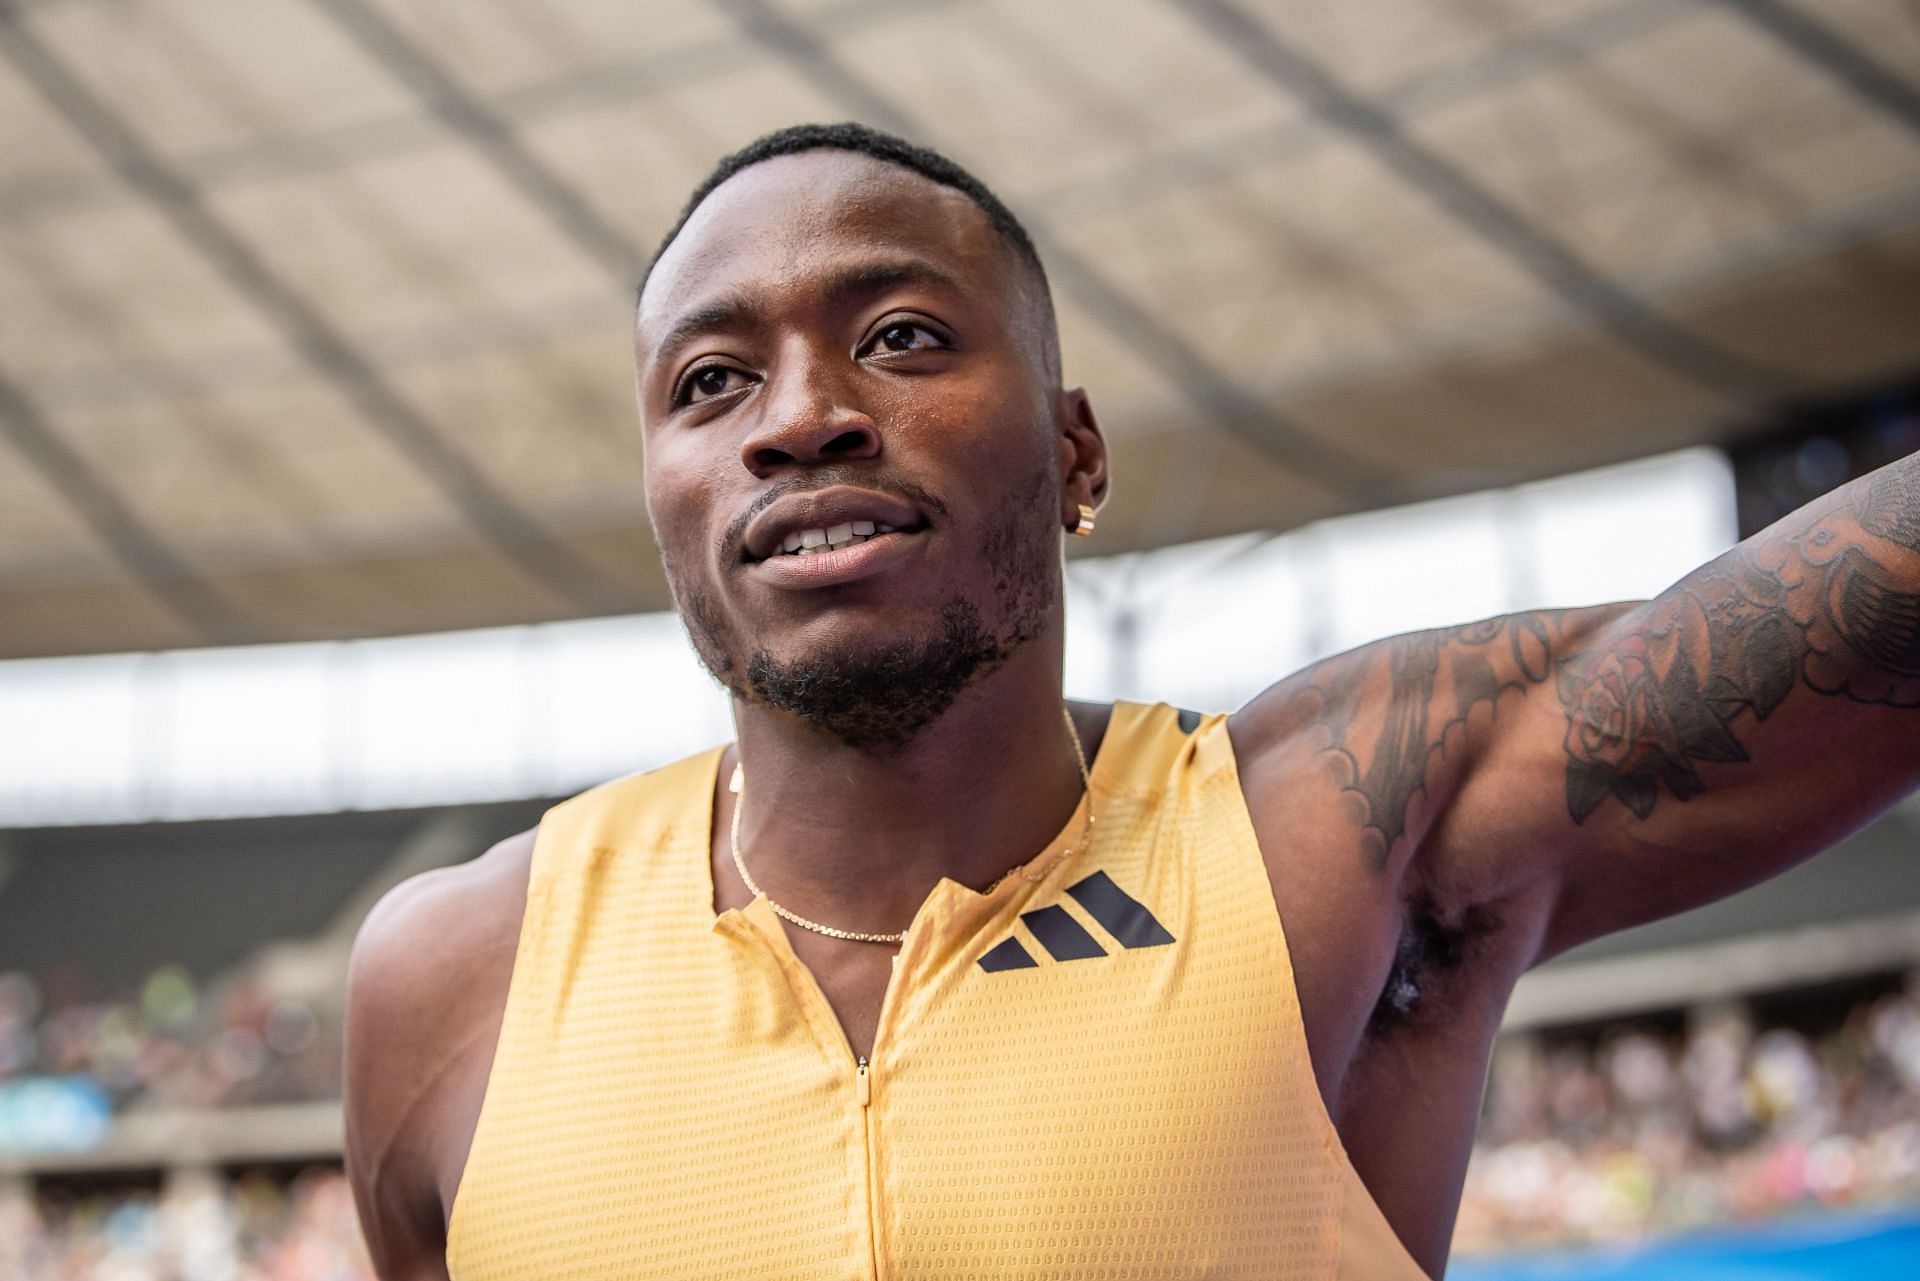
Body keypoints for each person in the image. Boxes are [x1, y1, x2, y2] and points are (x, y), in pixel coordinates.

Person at [341, 123, 1920, 1280]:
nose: (805, 416)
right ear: (665, 500)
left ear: (1077, 453)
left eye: (899, 338)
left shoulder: (1332, 835)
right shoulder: (454, 983)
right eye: (711, 381)